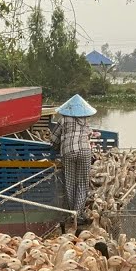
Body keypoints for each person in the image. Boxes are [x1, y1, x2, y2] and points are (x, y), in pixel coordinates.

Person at [51, 93, 99, 230]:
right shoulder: (85, 122)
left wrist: (57, 146)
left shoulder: (63, 120)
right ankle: (79, 214)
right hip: (85, 152)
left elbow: (53, 140)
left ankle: (71, 214)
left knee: (70, 182)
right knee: (82, 183)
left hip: (69, 152)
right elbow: (88, 136)